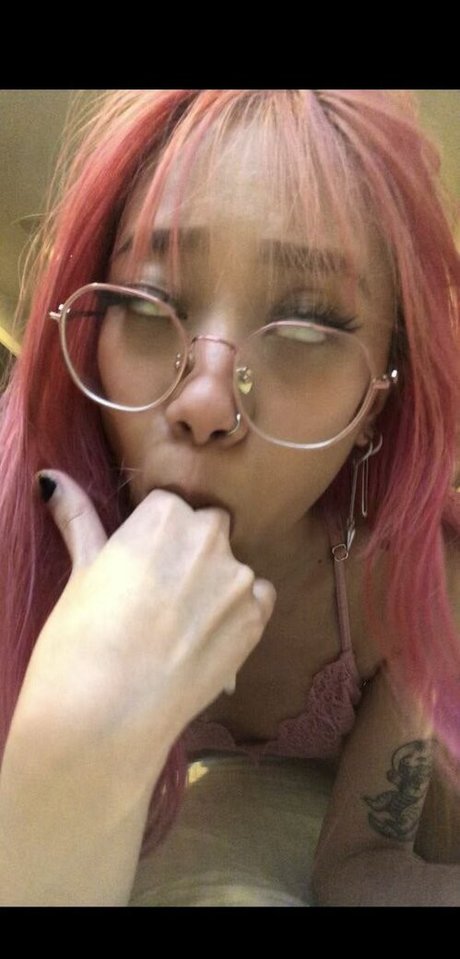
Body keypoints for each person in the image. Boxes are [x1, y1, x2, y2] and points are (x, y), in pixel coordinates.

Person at [0, 89, 459, 907]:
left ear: (376, 402)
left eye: (309, 326)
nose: (205, 402)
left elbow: (360, 865)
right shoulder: (18, 540)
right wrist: (70, 738)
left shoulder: (409, 586)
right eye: (147, 303)